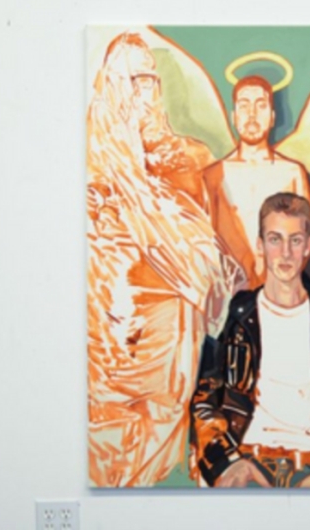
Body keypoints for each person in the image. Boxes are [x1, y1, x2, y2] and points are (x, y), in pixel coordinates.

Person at [87, 32, 240, 487]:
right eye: (131, 79)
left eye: (149, 78)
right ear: (111, 85)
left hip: (179, 321)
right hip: (119, 326)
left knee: (169, 412)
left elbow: (216, 238)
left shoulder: (189, 157)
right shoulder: (95, 164)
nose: (144, 91)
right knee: (111, 427)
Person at [190, 193, 310, 488]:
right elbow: (204, 402)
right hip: (246, 461)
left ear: (309, 246)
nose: (285, 253)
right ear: (260, 245)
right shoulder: (239, 315)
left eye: (295, 240)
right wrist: (227, 464)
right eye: (275, 239)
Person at [203, 75, 310, 291]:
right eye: (244, 106)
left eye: (260, 105)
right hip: (229, 292)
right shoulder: (213, 176)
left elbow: (306, 235)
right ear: (234, 116)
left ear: (272, 117)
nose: (252, 114)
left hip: (282, 289)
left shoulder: (292, 173)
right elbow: (204, 240)